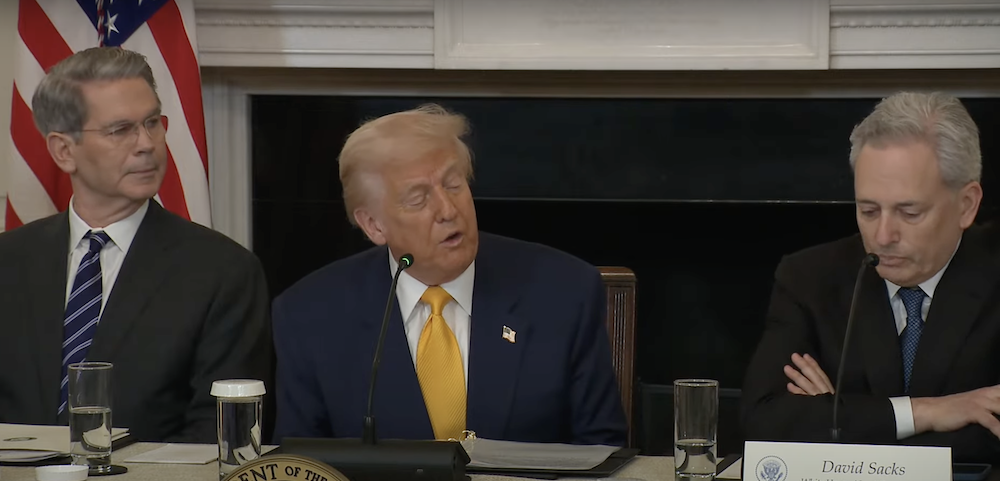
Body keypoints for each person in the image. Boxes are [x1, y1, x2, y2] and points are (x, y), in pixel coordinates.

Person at [272, 104, 627, 446]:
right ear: (374, 225)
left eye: (454, 185)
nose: (447, 209)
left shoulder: (564, 291)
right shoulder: (309, 317)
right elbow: (299, 470)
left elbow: (602, 452)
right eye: (418, 199)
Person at [0, 47, 271, 443]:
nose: (146, 143)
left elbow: (219, 432)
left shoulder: (223, 271)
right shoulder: (8, 262)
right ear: (64, 150)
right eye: (120, 130)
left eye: (152, 123)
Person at [742, 91, 1000, 463]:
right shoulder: (810, 278)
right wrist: (926, 413)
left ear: (966, 205)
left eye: (909, 213)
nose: (883, 236)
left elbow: (989, 439)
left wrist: (841, 419)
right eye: (868, 211)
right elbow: (764, 424)